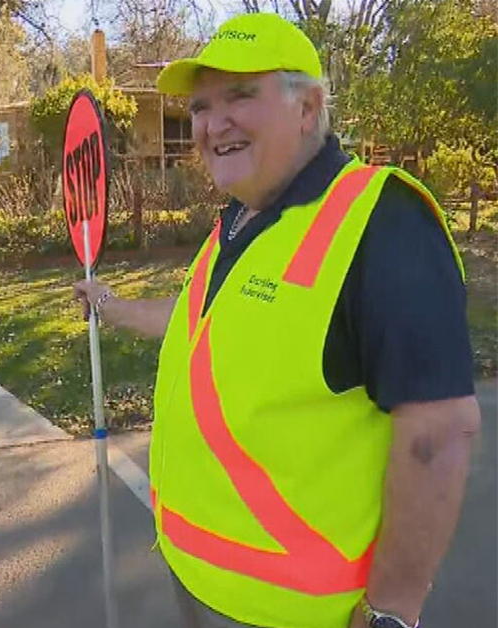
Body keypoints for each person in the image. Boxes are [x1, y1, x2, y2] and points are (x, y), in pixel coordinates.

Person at [73, 12, 479, 628]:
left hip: (297, 614)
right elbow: (196, 327)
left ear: (308, 109)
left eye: (240, 96)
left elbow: (440, 433)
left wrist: (392, 613)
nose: (213, 124)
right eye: (202, 106)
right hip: (194, 580)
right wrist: (107, 303)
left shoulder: (382, 222)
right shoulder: (238, 222)